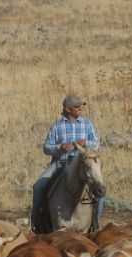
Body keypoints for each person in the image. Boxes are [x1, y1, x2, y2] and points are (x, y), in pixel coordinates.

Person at [30, 94, 104, 232]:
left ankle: (95, 225)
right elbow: (46, 147)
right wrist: (60, 147)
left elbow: (99, 145)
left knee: (99, 191)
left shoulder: (87, 124)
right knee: (38, 186)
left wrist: (86, 143)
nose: (80, 108)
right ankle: (36, 223)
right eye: (77, 106)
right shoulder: (57, 126)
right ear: (68, 109)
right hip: (61, 163)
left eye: (80, 106)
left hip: (83, 164)